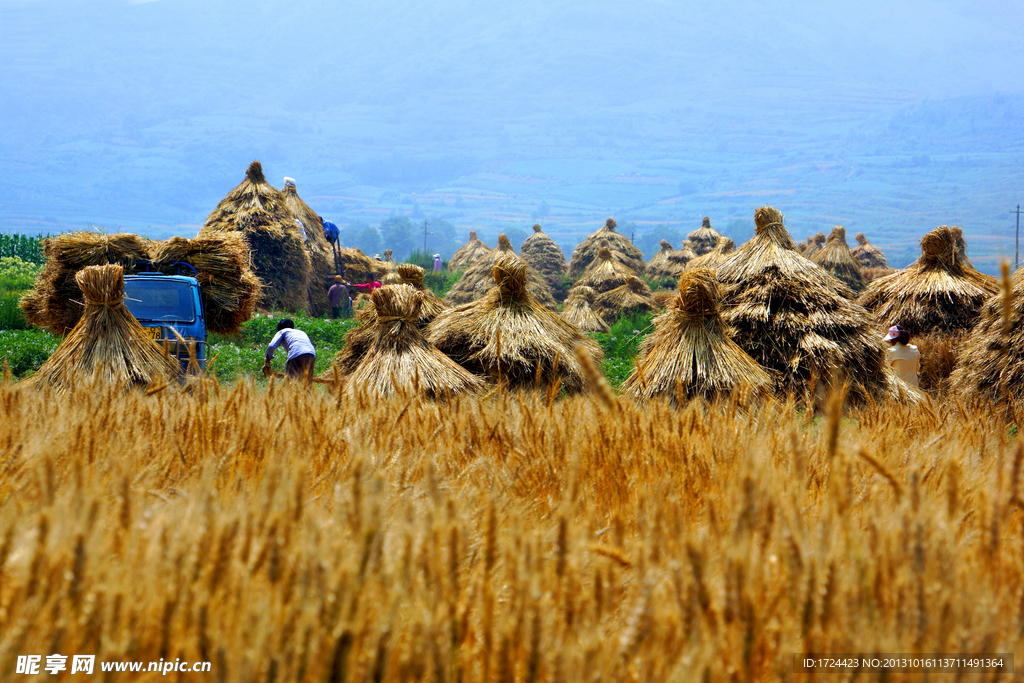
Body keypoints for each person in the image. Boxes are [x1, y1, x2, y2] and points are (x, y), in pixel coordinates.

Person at [263, 318, 316, 384]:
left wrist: (267, 362)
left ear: (280, 328)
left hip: (296, 353)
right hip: (311, 355)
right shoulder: (301, 332)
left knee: (289, 384)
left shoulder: (282, 331)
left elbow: (271, 346)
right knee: (307, 385)